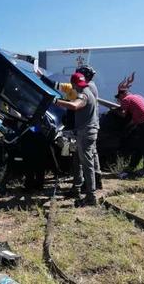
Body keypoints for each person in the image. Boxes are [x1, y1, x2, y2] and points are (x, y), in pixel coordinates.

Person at [35, 65, 103, 191]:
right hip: (84, 126)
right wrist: (42, 77)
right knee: (88, 155)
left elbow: (74, 105)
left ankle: (86, 188)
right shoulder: (79, 87)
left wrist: (57, 101)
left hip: (85, 127)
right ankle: (90, 183)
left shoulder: (87, 89)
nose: (74, 86)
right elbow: (59, 85)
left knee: (82, 158)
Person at [54, 72, 99, 206]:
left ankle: (91, 196)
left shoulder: (83, 94)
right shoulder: (87, 90)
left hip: (86, 133)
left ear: (74, 84)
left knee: (87, 164)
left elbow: (75, 106)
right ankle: (77, 188)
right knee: (78, 161)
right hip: (86, 131)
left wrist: (56, 101)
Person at [115, 73, 144, 179]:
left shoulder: (126, 99)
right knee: (140, 145)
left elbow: (123, 114)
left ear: (122, 95)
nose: (119, 99)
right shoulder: (137, 96)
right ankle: (132, 166)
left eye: (119, 97)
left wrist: (116, 110)